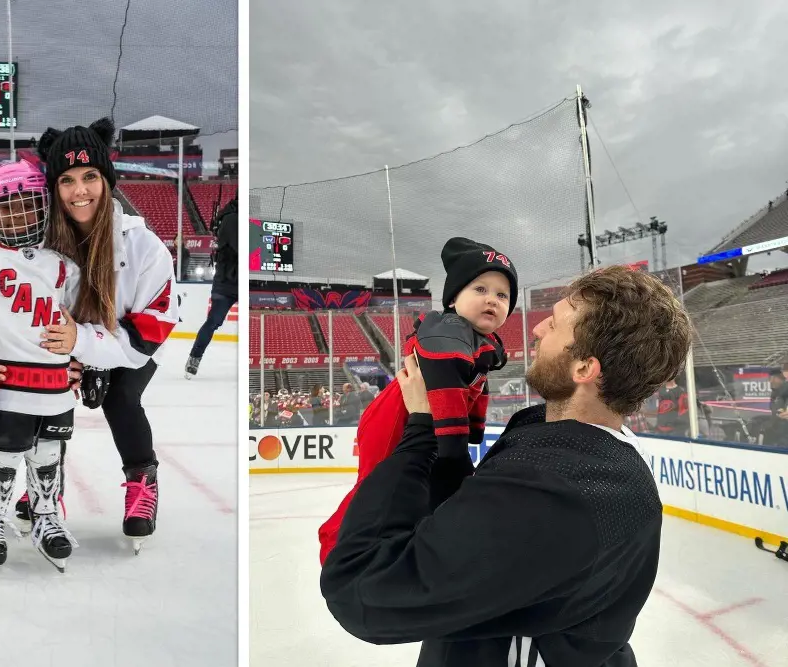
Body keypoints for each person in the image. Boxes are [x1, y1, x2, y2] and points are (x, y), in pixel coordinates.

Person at [320, 264, 693, 667]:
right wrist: (448, 425)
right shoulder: (553, 436)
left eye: (554, 324)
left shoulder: (557, 489)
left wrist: (423, 432)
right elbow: (460, 518)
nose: (535, 329)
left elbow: (364, 592)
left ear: (584, 368)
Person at [10, 117, 179, 554]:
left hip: (124, 351)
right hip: (63, 349)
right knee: (45, 391)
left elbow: (146, 337)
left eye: (89, 176)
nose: (78, 190)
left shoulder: (145, 248)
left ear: (107, 179)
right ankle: (46, 477)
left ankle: (142, 479)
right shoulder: (41, 244)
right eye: (66, 180)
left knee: (122, 399)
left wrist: (84, 346)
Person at [318, 237, 516, 564]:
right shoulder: (448, 330)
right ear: (453, 299)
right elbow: (447, 389)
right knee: (379, 483)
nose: (492, 300)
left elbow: (476, 387)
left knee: (411, 482)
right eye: (480, 289)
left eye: (502, 294)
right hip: (395, 416)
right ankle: (338, 543)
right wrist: (456, 456)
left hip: (416, 416)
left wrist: (475, 431)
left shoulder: (482, 343)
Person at [0, 159, 86, 577]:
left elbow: (82, 323)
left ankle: (46, 516)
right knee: (2, 458)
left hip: (56, 385)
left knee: (48, 455)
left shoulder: (64, 264)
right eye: (5, 207)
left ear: (43, 204)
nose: (16, 214)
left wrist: (90, 365)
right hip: (6, 385)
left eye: (25, 203)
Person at [185, 196, 237, 378]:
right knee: (213, 321)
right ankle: (194, 357)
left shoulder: (230, 216)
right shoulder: (232, 219)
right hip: (227, 281)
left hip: (232, 279)